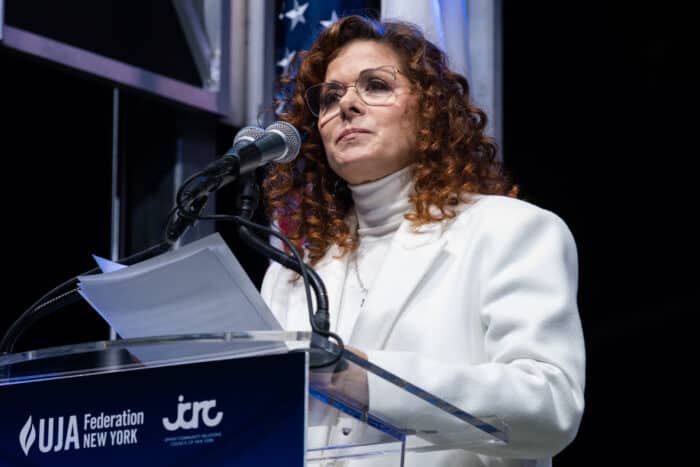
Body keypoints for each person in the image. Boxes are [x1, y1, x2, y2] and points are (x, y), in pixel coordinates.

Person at [260, 15, 585, 467]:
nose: (346, 106)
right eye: (330, 96)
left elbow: (550, 407)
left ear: (428, 109)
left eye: (375, 86)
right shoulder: (293, 269)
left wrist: (366, 380)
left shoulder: (509, 231)